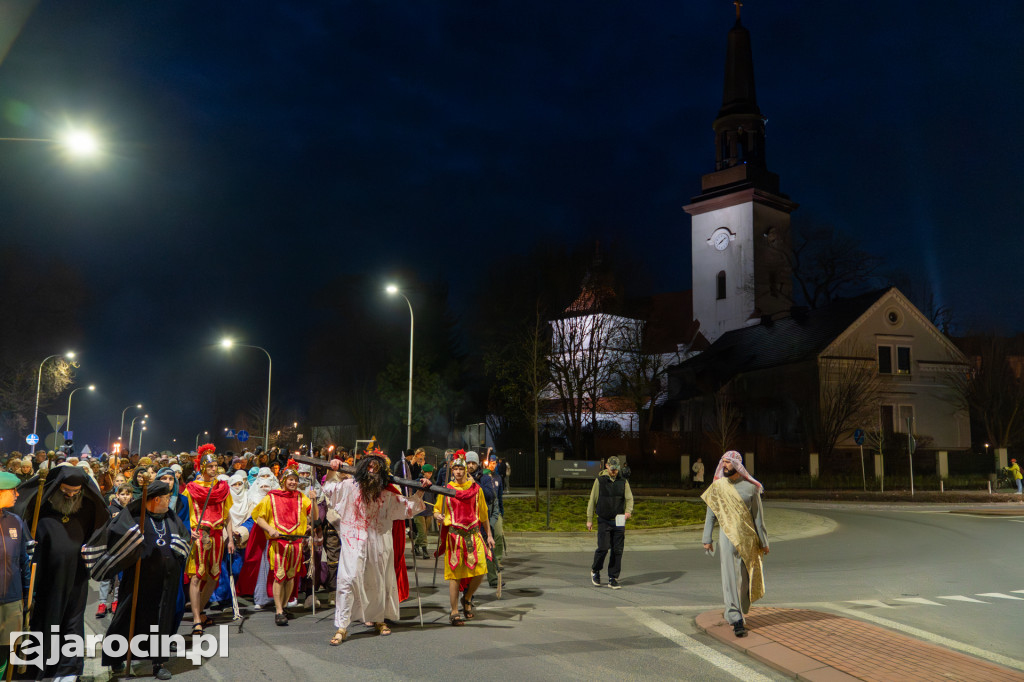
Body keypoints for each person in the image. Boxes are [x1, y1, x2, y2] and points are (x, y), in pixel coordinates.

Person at [323, 454, 429, 645]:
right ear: (362, 469)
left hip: (380, 544)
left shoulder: (387, 494)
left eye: (376, 469)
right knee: (349, 579)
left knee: (379, 581)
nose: (372, 471)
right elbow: (330, 489)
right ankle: (342, 626)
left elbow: (407, 507)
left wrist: (421, 491)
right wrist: (333, 468)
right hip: (353, 543)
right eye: (369, 467)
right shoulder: (348, 488)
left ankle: (379, 620)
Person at [89, 480, 189, 679]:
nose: (170, 501)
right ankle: (116, 657)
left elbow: (184, 537)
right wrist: (132, 540)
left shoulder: (171, 517)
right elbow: (116, 537)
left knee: (161, 621)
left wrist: (181, 544)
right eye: (167, 498)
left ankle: (158, 663)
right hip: (139, 580)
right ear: (156, 499)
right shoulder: (135, 516)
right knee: (127, 618)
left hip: (165, 582)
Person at [16, 465, 107, 681]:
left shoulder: (87, 507)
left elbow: (100, 530)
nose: (71, 496)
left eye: (76, 492)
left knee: (73, 620)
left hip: (76, 574)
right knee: (44, 619)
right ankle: (38, 669)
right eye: (66, 491)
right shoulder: (41, 505)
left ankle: (68, 669)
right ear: (56, 487)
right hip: (45, 574)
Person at [701, 451, 769, 638]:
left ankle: (740, 607)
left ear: (737, 465)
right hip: (727, 538)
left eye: (728, 462)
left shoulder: (751, 488)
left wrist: (764, 542)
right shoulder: (718, 487)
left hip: (749, 540)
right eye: (722, 462)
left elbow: (758, 518)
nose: (724, 465)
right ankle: (735, 617)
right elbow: (711, 515)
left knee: (745, 580)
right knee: (730, 578)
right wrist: (707, 538)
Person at [250, 468, 318, 625]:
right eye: (290, 479)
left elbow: (314, 517)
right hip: (279, 542)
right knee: (279, 576)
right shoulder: (272, 497)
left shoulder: (301, 497)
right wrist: (270, 529)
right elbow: (259, 518)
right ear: (283, 480)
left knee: (291, 576)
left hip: (296, 543)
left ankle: (285, 606)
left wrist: (313, 500)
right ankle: (279, 610)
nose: (293, 482)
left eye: (295, 479)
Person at [433, 454, 494, 625]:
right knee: (455, 575)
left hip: (474, 535)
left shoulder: (476, 489)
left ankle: (466, 598)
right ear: (451, 470)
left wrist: (488, 535)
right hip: (455, 537)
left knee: (482, 569)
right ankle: (453, 611)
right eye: (455, 469)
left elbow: (483, 514)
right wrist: (438, 516)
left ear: (466, 470)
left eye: (461, 469)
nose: (458, 472)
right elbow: (437, 510)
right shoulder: (446, 489)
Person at [182, 447, 234, 636]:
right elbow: (184, 516)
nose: (214, 469)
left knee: (213, 577)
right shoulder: (191, 489)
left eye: (215, 466)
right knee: (196, 577)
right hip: (199, 536)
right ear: (203, 467)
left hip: (218, 536)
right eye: (210, 466)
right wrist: (189, 533)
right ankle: (196, 619)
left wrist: (230, 538)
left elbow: (228, 516)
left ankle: (200, 610)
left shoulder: (222, 488)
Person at [0, 472, 31, 679]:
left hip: (11, 601)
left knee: (5, 652)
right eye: (13, 491)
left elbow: (24, 561)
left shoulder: (16, 521)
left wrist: (28, 593)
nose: (17, 494)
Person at [586, 456, 633, 589]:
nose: (614, 472)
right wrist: (589, 519)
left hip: (618, 520)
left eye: (616, 469)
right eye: (612, 469)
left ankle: (613, 577)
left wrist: (628, 511)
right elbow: (592, 500)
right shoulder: (599, 481)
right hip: (604, 520)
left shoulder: (623, 481)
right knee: (603, 547)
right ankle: (595, 570)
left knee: (617, 550)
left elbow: (629, 498)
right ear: (607, 466)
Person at [96, 484, 134, 618]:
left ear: (131, 496)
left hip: (124, 547)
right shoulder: (111, 509)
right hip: (110, 546)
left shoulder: (132, 509)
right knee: (106, 576)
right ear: (117, 495)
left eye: (127, 494)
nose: (125, 497)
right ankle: (102, 603)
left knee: (119, 577)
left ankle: (116, 600)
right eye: (122, 494)